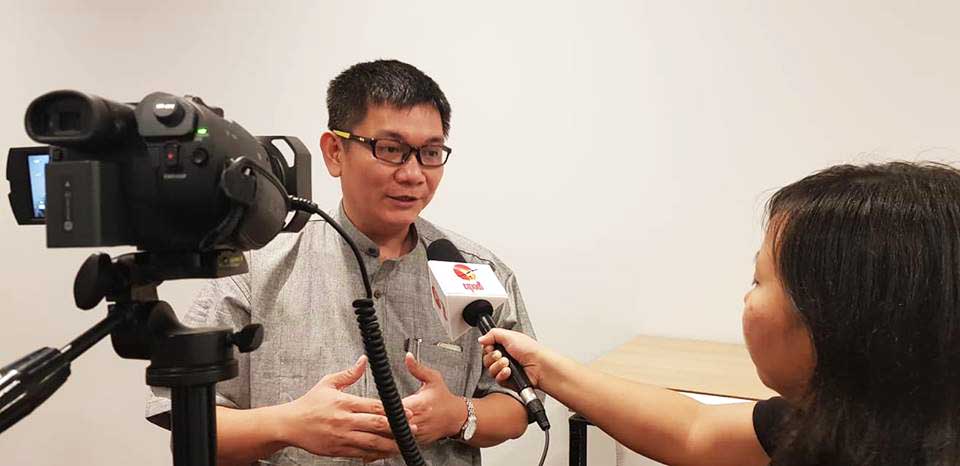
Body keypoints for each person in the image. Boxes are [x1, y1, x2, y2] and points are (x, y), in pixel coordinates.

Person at [146, 59, 537, 466]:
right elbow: (186, 424)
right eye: (390, 149)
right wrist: (289, 425)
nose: (413, 174)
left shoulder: (476, 272)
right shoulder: (254, 268)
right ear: (335, 152)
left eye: (430, 153)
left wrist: (457, 415)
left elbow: (519, 404)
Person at [481, 162, 960, 466]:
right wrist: (545, 369)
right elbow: (693, 429)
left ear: (833, 316)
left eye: (759, 279)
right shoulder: (832, 421)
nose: (748, 299)